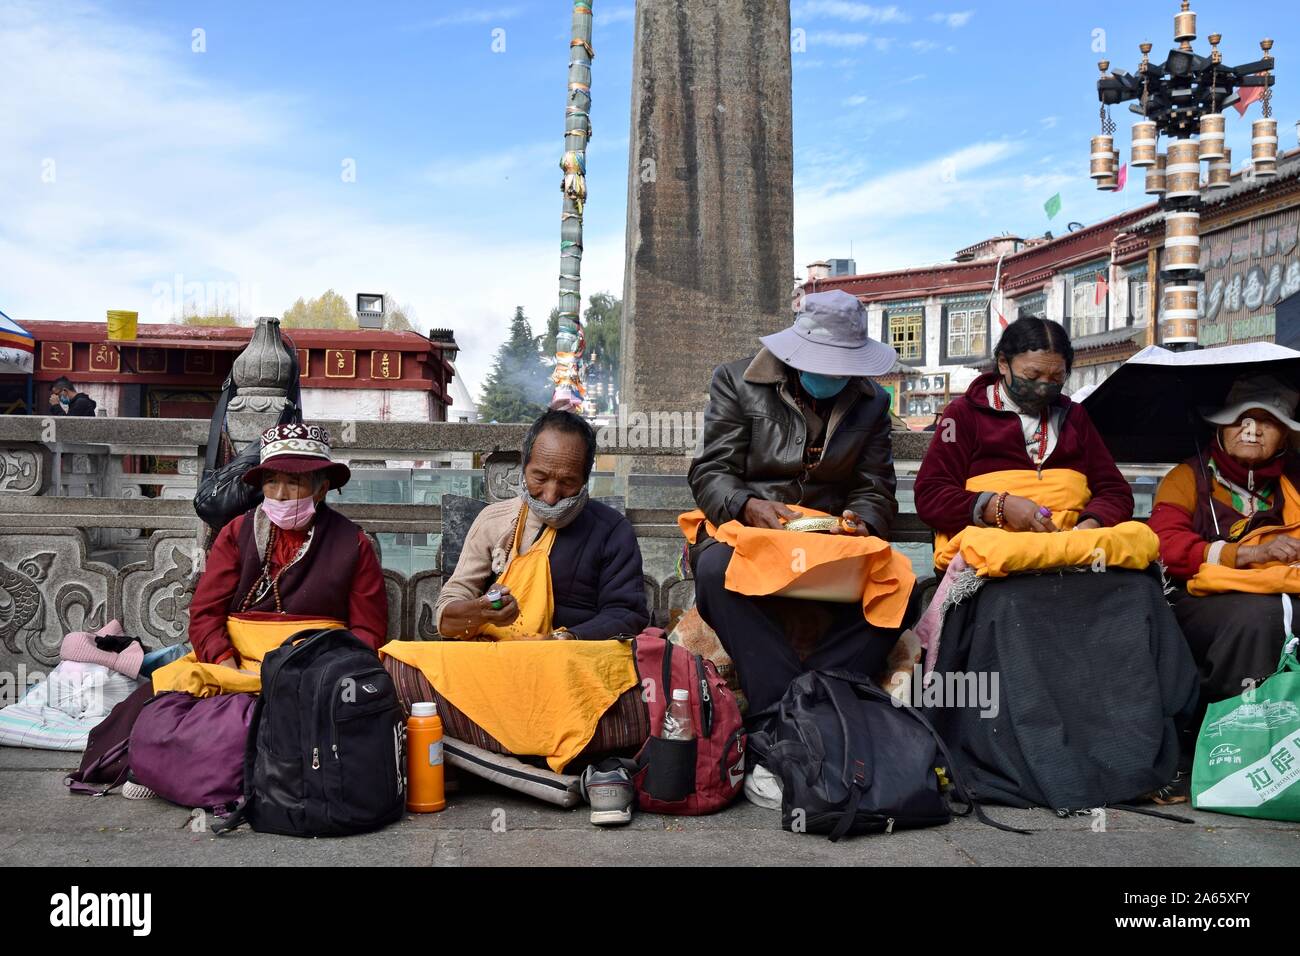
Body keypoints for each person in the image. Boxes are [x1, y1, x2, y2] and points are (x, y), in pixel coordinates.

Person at [913, 316, 1198, 809]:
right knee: (1017, 605)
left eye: (1055, 379)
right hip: (1000, 559)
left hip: (1069, 549)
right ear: (1002, 365)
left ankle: (1133, 753)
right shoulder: (963, 415)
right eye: (1031, 377)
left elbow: (1113, 490)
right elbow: (932, 495)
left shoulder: (1075, 418)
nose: (1043, 389)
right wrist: (999, 506)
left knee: (1135, 595)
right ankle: (1031, 756)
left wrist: (1091, 523)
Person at [686, 289, 909, 725]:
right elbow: (711, 472)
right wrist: (747, 505)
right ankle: (791, 717)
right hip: (750, 531)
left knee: (895, 582)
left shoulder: (872, 401)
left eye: (842, 367)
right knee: (715, 572)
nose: (832, 374)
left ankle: (807, 703)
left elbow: (875, 485)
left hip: (829, 539)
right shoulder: (737, 381)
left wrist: (863, 520)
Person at [1150, 373, 1300, 723]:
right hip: (1202, 597)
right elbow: (1164, 545)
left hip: (1288, 585)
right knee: (1257, 618)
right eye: (1241, 420)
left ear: (1286, 436)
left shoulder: (1296, 477)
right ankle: (1232, 724)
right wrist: (1249, 554)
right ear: (1219, 427)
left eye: (1267, 422)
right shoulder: (1187, 478)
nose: (1251, 430)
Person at [185, 422, 387, 670]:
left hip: (319, 670)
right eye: (271, 482)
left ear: (321, 489)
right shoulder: (237, 532)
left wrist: (334, 674)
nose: (280, 494)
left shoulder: (352, 542)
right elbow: (205, 612)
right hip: (238, 663)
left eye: (294, 482)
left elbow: (367, 629)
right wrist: (225, 665)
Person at [435, 409, 649, 641]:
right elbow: (446, 616)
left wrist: (563, 639)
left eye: (567, 482)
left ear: (585, 479)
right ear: (523, 466)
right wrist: (480, 611)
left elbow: (627, 615)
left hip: (569, 662)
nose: (550, 496)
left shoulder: (612, 530)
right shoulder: (493, 520)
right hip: (493, 658)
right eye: (540, 478)